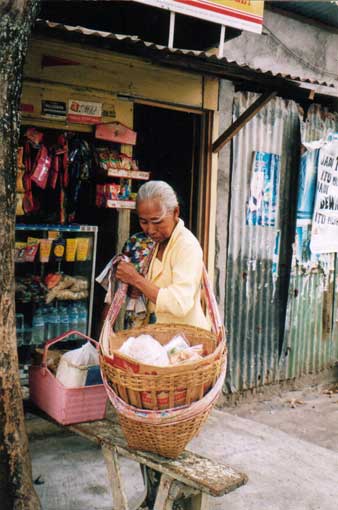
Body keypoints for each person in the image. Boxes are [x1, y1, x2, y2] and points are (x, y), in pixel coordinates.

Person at [115, 180, 210, 330]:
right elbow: (158, 288)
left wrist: (136, 279)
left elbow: (179, 304)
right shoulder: (157, 243)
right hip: (161, 337)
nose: (150, 230)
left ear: (175, 212)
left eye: (157, 221)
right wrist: (139, 288)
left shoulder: (186, 245)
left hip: (184, 342)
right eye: (144, 222)